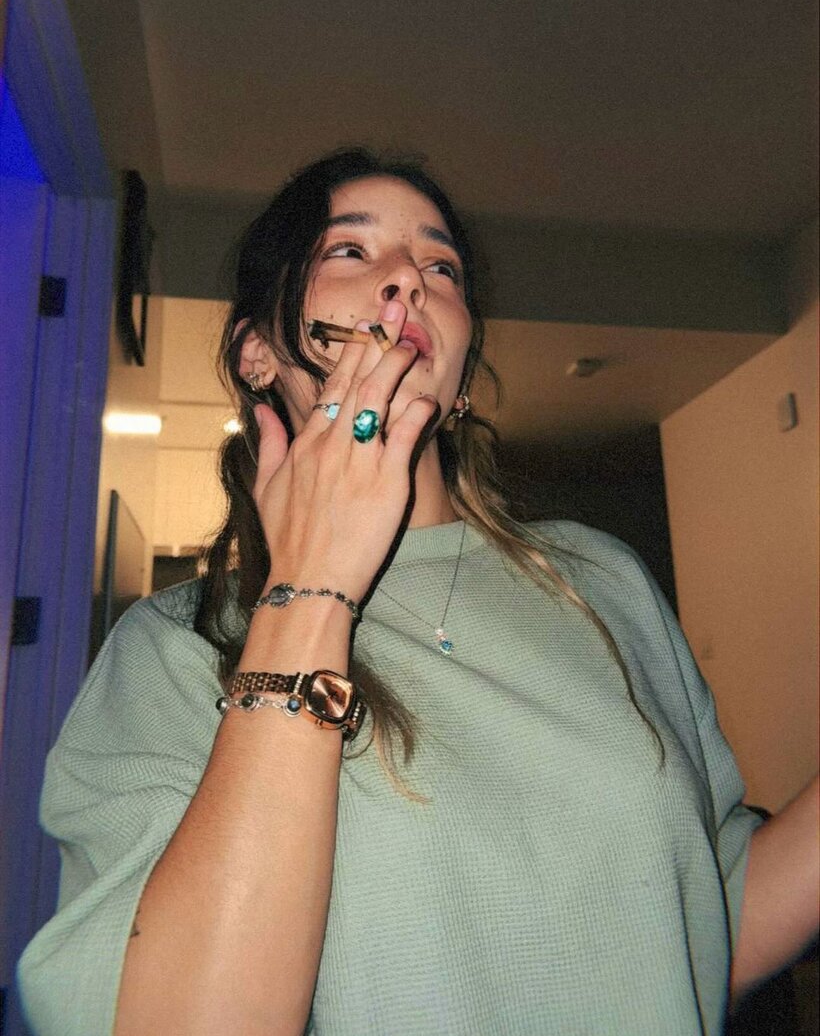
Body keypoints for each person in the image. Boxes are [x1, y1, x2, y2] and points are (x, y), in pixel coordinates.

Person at [17, 149, 819, 1036]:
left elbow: (705, 923)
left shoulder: (601, 580)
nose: (408, 280)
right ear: (256, 353)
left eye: (442, 267)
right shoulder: (171, 648)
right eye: (350, 251)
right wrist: (311, 589)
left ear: (463, 369)